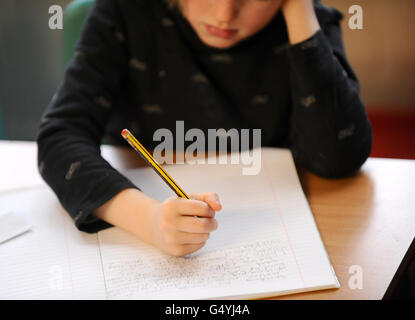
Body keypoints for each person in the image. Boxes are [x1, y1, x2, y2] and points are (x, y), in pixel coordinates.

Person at [36, 0, 372, 257]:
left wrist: (300, 13)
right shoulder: (125, 13)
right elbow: (61, 135)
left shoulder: (307, 24)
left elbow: (338, 157)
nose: (225, 14)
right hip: (142, 216)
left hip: (278, 219)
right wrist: (147, 218)